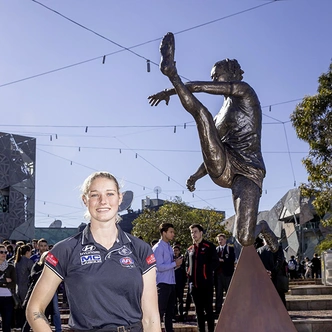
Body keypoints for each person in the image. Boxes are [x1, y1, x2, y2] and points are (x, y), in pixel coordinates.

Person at [148, 32, 278, 252]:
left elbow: (201, 87)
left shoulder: (245, 91)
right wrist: (195, 176)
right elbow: (213, 150)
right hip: (225, 166)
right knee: (202, 115)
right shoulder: (219, 116)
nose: (214, 80)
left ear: (231, 74)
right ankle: (171, 72)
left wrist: (171, 90)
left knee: (244, 238)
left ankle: (263, 226)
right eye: (213, 76)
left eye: (217, 76)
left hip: (248, 170)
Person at [27, 171, 161, 332]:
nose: (103, 201)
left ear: (120, 198)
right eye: (95, 195)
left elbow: (151, 318)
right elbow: (34, 308)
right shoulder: (66, 249)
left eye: (110, 194)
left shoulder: (141, 249)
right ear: (85, 200)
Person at [185, 224, 219, 332]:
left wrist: (206, 272)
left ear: (201, 233)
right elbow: (187, 265)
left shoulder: (209, 246)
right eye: (191, 232)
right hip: (194, 286)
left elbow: (215, 263)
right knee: (198, 312)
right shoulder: (190, 249)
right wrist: (188, 276)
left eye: (195, 232)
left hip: (206, 285)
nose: (193, 234)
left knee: (209, 311)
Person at [152, 223, 183, 332]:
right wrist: (175, 264)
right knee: (160, 312)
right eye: (171, 232)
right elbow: (159, 267)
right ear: (163, 233)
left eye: (173, 232)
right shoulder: (158, 248)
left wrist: (176, 263)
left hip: (171, 283)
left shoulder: (169, 247)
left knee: (170, 313)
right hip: (162, 284)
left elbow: (168, 266)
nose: (173, 234)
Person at [21, 251, 54, 332]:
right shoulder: (37, 265)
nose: (48, 259)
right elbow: (33, 276)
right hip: (35, 295)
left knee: (44, 319)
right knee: (30, 320)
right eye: (46, 257)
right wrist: (45, 270)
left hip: (47, 296)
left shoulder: (53, 269)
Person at [255, 237, 288, 307]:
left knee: (266, 299)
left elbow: (256, 265)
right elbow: (280, 261)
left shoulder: (258, 250)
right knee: (280, 299)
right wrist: (272, 272)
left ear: (263, 241)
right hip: (277, 279)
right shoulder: (278, 248)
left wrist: (265, 272)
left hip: (264, 279)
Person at [214, 233, 235, 316]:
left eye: (221, 239)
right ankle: (218, 310)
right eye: (219, 240)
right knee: (218, 293)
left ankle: (231, 309)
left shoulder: (230, 249)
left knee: (229, 293)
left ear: (225, 240)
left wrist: (223, 260)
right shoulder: (216, 250)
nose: (220, 241)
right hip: (218, 275)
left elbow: (232, 259)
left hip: (227, 274)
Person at [14, 244, 34, 328]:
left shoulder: (16, 261)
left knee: (19, 307)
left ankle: (19, 324)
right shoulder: (28, 261)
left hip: (17, 288)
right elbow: (33, 274)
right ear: (27, 252)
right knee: (27, 307)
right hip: (26, 287)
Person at [0, 244, 16, 332]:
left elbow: (13, 283)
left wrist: (1, 282)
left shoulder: (10, 267)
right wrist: (5, 281)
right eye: (1, 252)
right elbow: (8, 282)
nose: (4, 254)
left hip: (8, 298)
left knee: (7, 324)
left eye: (5, 252)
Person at [173, 245, 186, 322]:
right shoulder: (171, 259)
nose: (175, 252)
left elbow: (184, 270)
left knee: (180, 299)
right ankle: (174, 314)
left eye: (177, 250)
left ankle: (181, 314)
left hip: (180, 282)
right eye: (174, 250)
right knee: (174, 300)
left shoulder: (182, 259)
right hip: (173, 282)